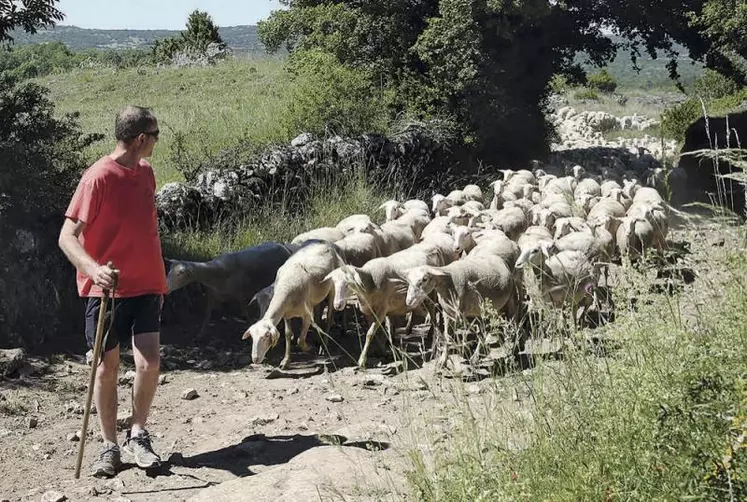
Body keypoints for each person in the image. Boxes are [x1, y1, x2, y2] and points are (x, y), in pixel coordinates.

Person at [58, 105, 167, 478]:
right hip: (105, 291)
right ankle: (108, 446)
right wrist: (93, 270)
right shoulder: (98, 178)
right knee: (106, 368)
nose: (156, 142)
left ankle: (138, 434)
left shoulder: (147, 173)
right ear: (141, 139)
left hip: (147, 284)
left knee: (149, 363)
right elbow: (67, 237)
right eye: (154, 135)